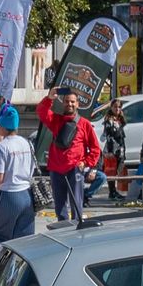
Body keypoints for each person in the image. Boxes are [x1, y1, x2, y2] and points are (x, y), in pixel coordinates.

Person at [37, 86, 101, 222]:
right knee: (60, 207)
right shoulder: (56, 120)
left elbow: (95, 149)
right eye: (67, 101)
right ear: (63, 103)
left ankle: (77, 230)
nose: (69, 104)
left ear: (77, 104)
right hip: (56, 169)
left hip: (75, 169)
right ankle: (63, 230)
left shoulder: (85, 124)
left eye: (72, 102)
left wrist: (85, 163)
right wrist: (49, 98)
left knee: (76, 205)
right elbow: (41, 112)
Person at [0, 106, 38, 246]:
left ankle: (8, 266)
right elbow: (31, 168)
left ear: (2, 126)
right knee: (24, 241)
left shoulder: (1, 147)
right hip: (27, 194)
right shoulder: (27, 143)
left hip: (9, 194)